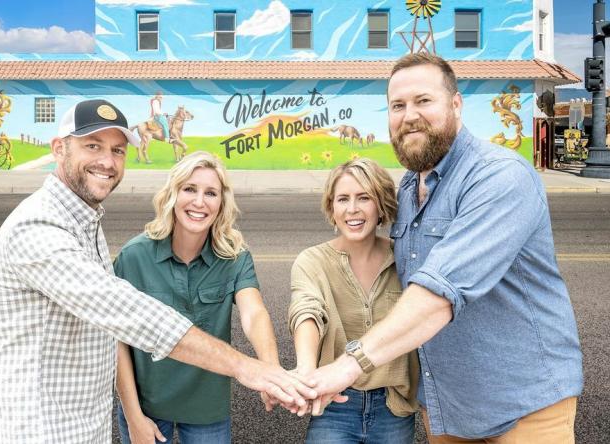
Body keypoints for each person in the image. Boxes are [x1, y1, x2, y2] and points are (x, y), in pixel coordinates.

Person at [0, 99, 316, 443]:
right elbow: (126, 314)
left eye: (118, 150)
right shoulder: (39, 226)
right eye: (92, 146)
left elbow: (253, 312)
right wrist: (249, 369)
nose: (107, 161)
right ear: (58, 148)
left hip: (82, 426)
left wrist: (270, 366)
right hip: (43, 431)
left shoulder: (84, 221)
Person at [304, 53, 583, 443]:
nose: (409, 115)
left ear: (455, 104)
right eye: (397, 106)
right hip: (448, 408)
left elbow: (440, 291)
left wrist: (349, 364)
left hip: (524, 406)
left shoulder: (498, 175)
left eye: (423, 101)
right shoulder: (406, 190)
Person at [114, 151, 281, 444]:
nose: (199, 202)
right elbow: (116, 343)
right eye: (190, 189)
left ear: (222, 203)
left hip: (207, 409)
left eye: (211, 193)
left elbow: (253, 313)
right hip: (147, 406)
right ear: (173, 194)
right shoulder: (133, 256)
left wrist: (271, 370)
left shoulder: (235, 256)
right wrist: (133, 416)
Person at [288, 158, 418, 443]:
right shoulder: (312, 261)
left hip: (393, 406)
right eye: (343, 199)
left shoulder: (405, 260)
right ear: (331, 207)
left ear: (381, 204)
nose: (352, 209)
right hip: (335, 403)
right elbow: (306, 311)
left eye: (364, 198)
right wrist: (306, 368)